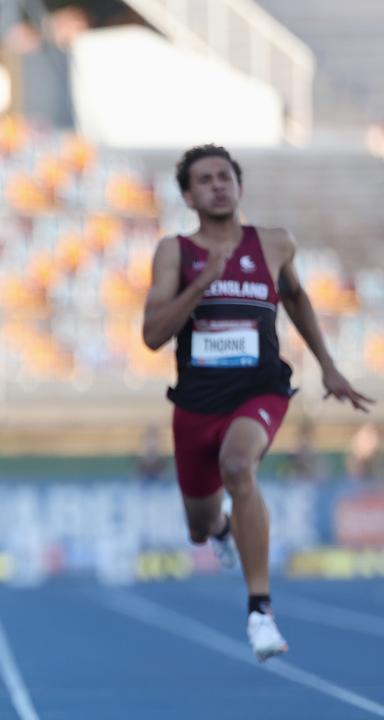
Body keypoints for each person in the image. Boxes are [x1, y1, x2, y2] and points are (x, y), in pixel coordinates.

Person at [141, 144, 374, 661]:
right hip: (197, 402)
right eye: (205, 180)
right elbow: (152, 335)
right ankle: (221, 526)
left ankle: (260, 612)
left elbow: (294, 296)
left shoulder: (274, 244)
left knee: (239, 466)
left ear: (239, 186)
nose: (218, 185)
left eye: (226, 176)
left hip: (260, 387)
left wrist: (329, 366)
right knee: (199, 528)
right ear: (187, 194)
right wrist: (203, 281)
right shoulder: (175, 252)